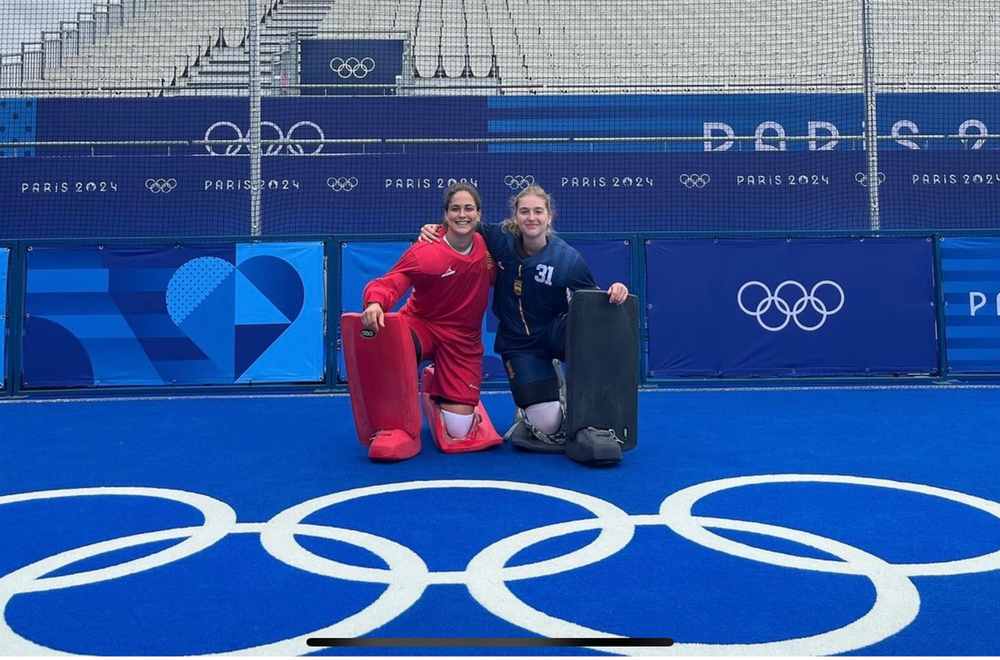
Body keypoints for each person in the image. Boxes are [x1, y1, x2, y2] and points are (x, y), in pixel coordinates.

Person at [420, 184, 629, 462]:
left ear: (549, 217)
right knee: (548, 426)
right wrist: (432, 228)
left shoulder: (568, 260)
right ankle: (532, 404)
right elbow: (462, 223)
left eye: (538, 212)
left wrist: (615, 290)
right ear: (515, 217)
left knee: (591, 338)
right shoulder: (499, 238)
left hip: (555, 331)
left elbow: (592, 302)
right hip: (519, 345)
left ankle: (580, 404)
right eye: (525, 212)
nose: (532, 218)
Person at [351, 182, 501, 460]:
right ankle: (397, 427)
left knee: (459, 431)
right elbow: (392, 281)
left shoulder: (491, 248)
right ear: (445, 214)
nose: (462, 215)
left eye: (469, 208)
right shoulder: (425, 251)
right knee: (391, 340)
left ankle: (435, 384)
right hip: (422, 325)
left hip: (463, 341)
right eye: (455, 209)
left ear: (479, 214)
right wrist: (374, 302)